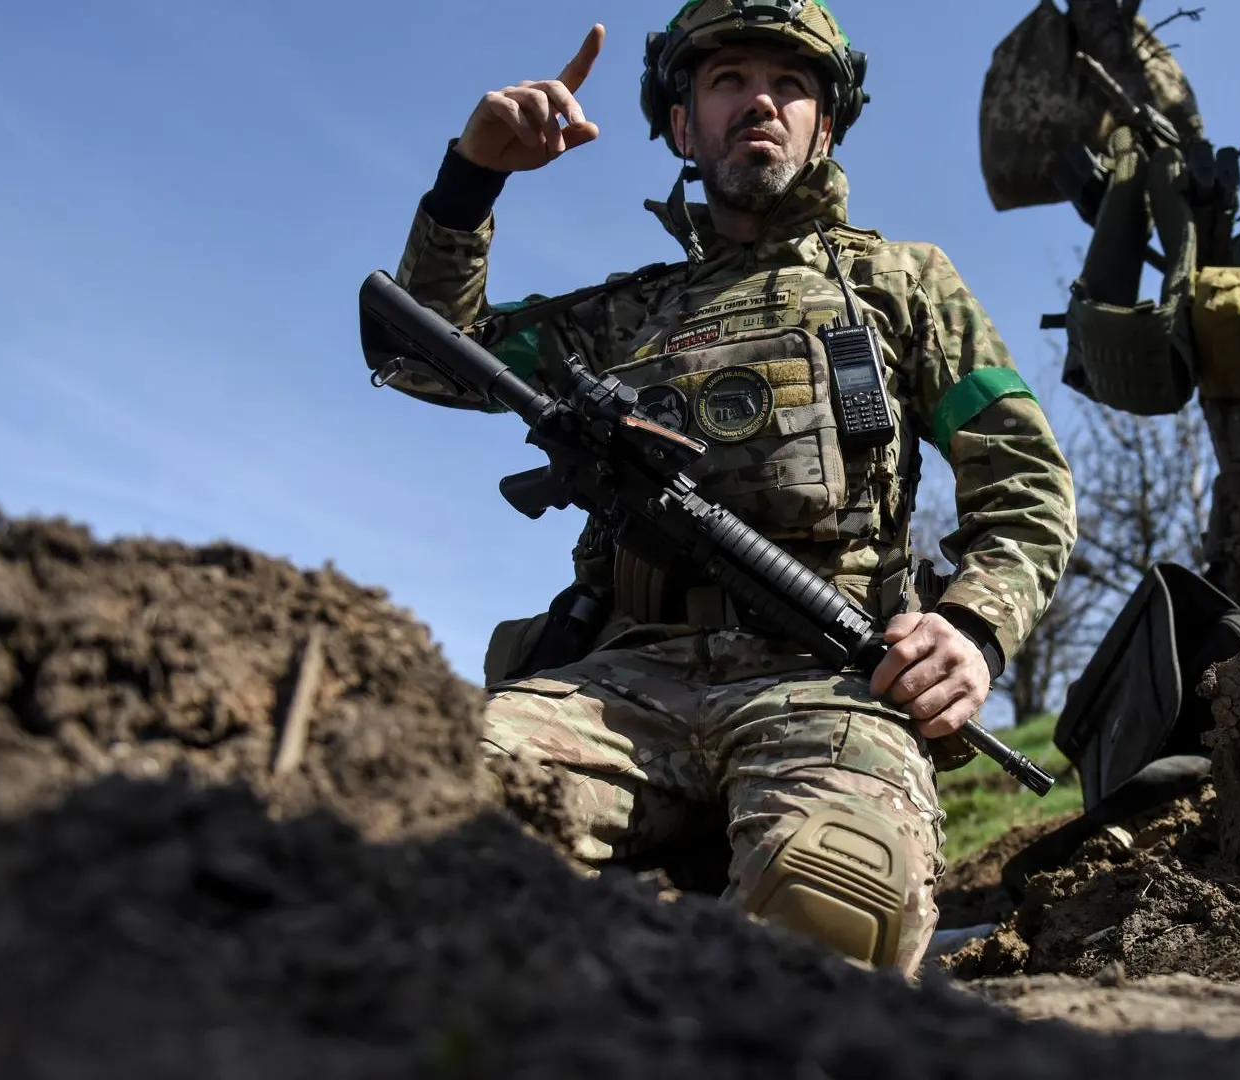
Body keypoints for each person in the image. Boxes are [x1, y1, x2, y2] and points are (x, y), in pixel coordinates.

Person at [385, 0, 1075, 978]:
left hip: (833, 684)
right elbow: (422, 356)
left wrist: (973, 627)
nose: (760, 100)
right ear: (681, 125)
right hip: (617, 689)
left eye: (790, 84)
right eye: (726, 81)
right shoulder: (622, 316)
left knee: (835, 911)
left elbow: (1026, 483)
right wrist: (473, 177)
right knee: (404, 822)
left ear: (823, 126)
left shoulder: (905, 285)